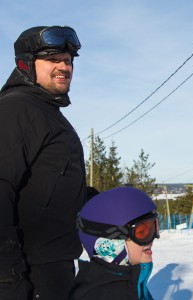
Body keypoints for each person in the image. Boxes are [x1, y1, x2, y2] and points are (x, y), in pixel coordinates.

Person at [0, 26, 86, 299]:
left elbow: (50, 187)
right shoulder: (17, 109)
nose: (64, 66)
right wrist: (8, 278)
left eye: (68, 60)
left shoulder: (45, 111)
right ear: (26, 64)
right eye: (53, 59)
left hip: (53, 268)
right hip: (29, 271)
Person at [71, 186, 160, 300]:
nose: (153, 238)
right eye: (142, 232)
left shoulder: (128, 282)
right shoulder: (107, 295)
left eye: (153, 227)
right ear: (110, 242)